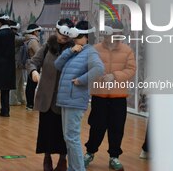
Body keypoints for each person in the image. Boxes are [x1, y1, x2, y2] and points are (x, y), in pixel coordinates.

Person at [84, 20, 136, 171]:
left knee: (117, 128)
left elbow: (131, 69)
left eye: (118, 34)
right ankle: (90, 153)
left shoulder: (127, 50)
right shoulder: (95, 49)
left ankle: (114, 157)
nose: (115, 37)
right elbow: (88, 67)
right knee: (96, 126)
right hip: (99, 96)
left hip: (118, 97)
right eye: (112, 33)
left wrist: (115, 76)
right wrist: (99, 76)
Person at [54, 20, 104, 171]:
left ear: (87, 37)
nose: (75, 39)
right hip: (66, 100)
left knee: (72, 138)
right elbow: (57, 64)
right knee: (68, 138)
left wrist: (81, 81)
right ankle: (73, 168)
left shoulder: (90, 52)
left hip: (75, 100)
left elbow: (99, 69)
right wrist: (70, 50)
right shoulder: (75, 50)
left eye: (79, 36)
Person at [26, 19, 74, 171]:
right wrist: (33, 71)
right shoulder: (47, 46)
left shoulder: (74, 49)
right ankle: (47, 158)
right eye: (61, 33)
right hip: (47, 97)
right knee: (46, 130)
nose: (63, 37)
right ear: (56, 31)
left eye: (67, 34)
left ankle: (62, 159)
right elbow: (33, 62)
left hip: (65, 98)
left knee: (63, 132)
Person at [8, 20, 26, 106]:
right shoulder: (11, 37)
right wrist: (29, 34)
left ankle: (21, 98)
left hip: (19, 63)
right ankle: (13, 100)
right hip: (15, 63)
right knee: (15, 83)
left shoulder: (15, 35)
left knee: (20, 82)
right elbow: (22, 39)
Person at [24, 23, 42, 110]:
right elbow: (39, 53)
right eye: (38, 31)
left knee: (30, 85)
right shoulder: (34, 41)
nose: (39, 33)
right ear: (34, 32)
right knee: (32, 85)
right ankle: (30, 104)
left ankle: (29, 104)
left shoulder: (28, 39)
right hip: (34, 65)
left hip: (30, 64)